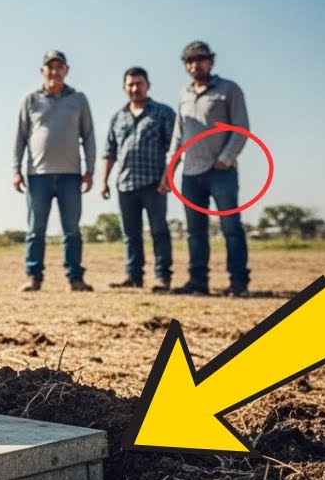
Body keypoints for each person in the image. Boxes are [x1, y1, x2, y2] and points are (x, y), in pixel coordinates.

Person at [160, 40, 252, 297]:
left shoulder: (228, 89)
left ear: (211, 61)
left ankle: (238, 282)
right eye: (189, 60)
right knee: (195, 232)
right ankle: (197, 281)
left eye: (200, 59)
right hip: (191, 174)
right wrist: (170, 170)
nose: (195, 64)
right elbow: (178, 136)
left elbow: (241, 128)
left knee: (231, 227)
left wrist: (226, 158)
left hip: (221, 172)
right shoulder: (184, 95)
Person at [12, 50, 96, 293]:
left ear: (66, 70)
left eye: (59, 67)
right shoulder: (31, 100)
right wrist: (16, 169)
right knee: (36, 230)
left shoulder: (78, 99)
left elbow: (88, 136)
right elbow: (20, 137)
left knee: (72, 230)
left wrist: (90, 169)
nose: (55, 72)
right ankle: (34, 277)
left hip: (71, 175)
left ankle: (75, 278)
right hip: (38, 176)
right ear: (43, 71)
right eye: (50, 67)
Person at [100, 67, 176, 291]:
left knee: (159, 231)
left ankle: (162, 277)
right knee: (130, 234)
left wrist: (168, 177)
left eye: (139, 83)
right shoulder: (118, 117)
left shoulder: (162, 113)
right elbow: (109, 151)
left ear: (148, 85)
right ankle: (134, 276)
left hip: (155, 183)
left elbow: (174, 149)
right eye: (131, 84)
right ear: (124, 88)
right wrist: (104, 181)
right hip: (126, 184)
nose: (135, 88)